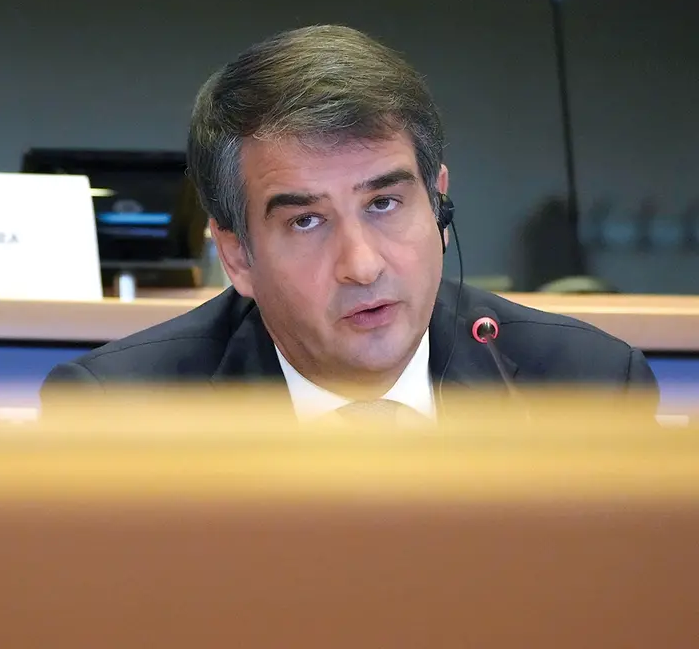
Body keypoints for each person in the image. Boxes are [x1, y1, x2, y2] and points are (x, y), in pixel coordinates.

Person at [42, 25, 659, 423]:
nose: (362, 265)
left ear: (439, 206)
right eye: (307, 221)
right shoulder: (119, 414)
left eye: (384, 204)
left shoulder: (590, 389)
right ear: (236, 257)